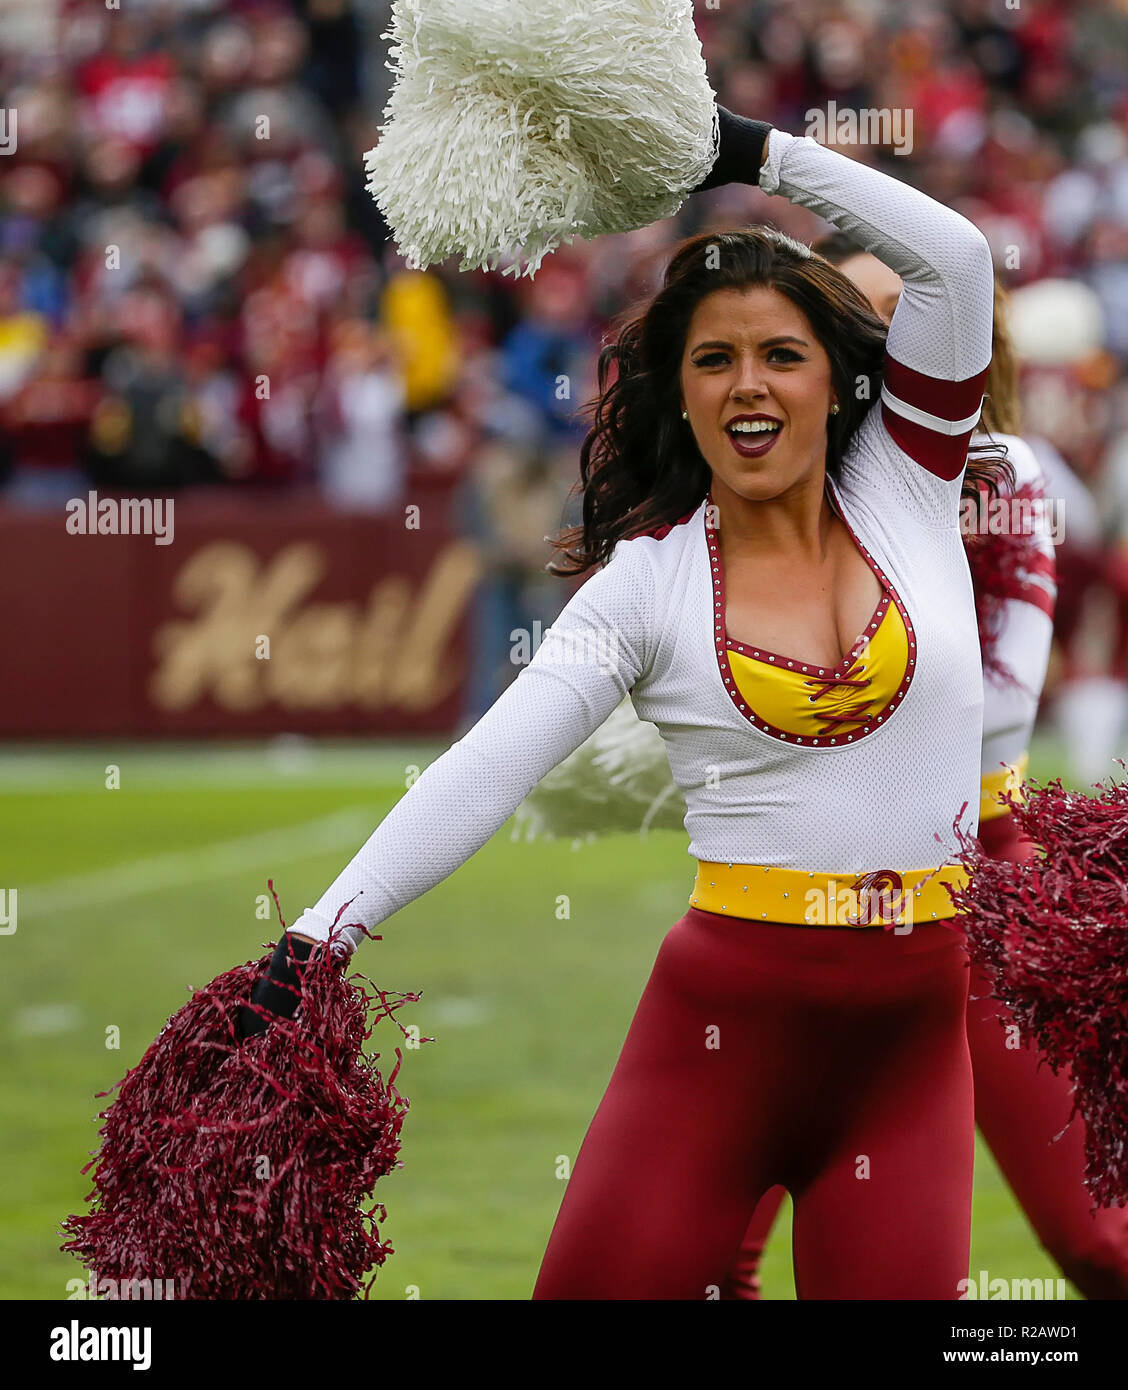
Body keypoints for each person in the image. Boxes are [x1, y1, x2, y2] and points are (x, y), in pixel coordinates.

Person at [242, 108, 1000, 1298]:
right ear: (681, 395)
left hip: (911, 1048)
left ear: (838, 378)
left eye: (782, 354)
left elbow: (952, 257)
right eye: (714, 359)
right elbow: (488, 768)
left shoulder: (912, 479)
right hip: (721, 1032)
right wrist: (315, 940)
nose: (749, 385)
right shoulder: (645, 587)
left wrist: (749, 154)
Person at [720, 236, 1128, 1302]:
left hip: (983, 888)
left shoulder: (1006, 476)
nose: (875, 344)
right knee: (718, 1259)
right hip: (815, 896)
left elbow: (995, 716)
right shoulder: (787, 490)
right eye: (847, 320)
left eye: (896, 316)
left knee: (1099, 1244)